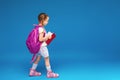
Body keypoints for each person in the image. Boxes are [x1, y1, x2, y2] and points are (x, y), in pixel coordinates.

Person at [29, 13, 59, 78]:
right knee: (47, 59)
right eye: (47, 21)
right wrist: (48, 36)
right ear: (42, 20)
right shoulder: (41, 29)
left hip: (38, 47)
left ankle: (32, 71)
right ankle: (49, 73)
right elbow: (40, 39)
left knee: (38, 58)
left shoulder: (37, 27)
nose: (47, 22)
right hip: (42, 47)